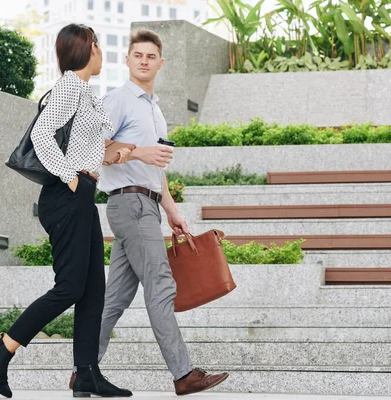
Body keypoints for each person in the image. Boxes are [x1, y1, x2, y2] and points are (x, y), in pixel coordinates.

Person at [0, 23, 132, 399]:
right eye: (97, 44)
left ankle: (87, 373)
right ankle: (2, 350)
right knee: (71, 287)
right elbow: (42, 135)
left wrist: (105, 157)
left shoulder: (83, 91)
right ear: (87, 49)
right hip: (67, 197)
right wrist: (69, 174)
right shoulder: (68, 87)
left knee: (94, 290)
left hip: (82, 195)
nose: (100, 51)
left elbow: (79, 143)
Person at [70, 28, 230, 396]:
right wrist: (138, 151)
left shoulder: (154, 110)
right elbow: (91, 147)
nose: (143, 61)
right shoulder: (118, 100)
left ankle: (84, 372)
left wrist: (171, 209)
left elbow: (157, 169)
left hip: (147, 204)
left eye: (150, 56)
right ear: (127, 60)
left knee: (115, 299)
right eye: (137, 55)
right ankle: (183, 374)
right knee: (160, 285)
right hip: (128, 203)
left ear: (161, 63)